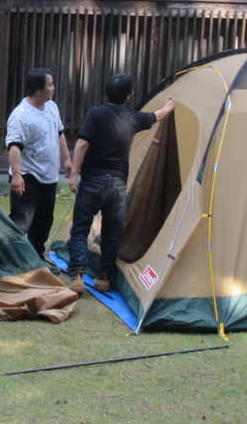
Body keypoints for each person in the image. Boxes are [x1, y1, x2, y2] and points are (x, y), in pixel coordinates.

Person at [66, 72, 174, 293]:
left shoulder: (95, 114)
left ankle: (77, 275)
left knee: (80, 228)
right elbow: (158, 115)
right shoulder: (132, 117)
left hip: (92, 181)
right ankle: (103, 278)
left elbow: (81, 145)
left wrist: (74, 173)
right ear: (129, 95)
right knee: (112, 232)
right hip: (117, 184)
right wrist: (171, 104)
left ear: (107, 92)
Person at [5, 68, 71, 260]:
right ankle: (10, 261)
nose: (53, 88)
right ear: (38, 89)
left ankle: (36, 259)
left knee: (44, 221)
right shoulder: (21, 115)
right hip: (27, 176)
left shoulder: (51, 107)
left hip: (49, 176)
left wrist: (67, 159)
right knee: (21, 221)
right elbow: (14, 147)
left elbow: (59, 133)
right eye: (49, 84)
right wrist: (17, 176)